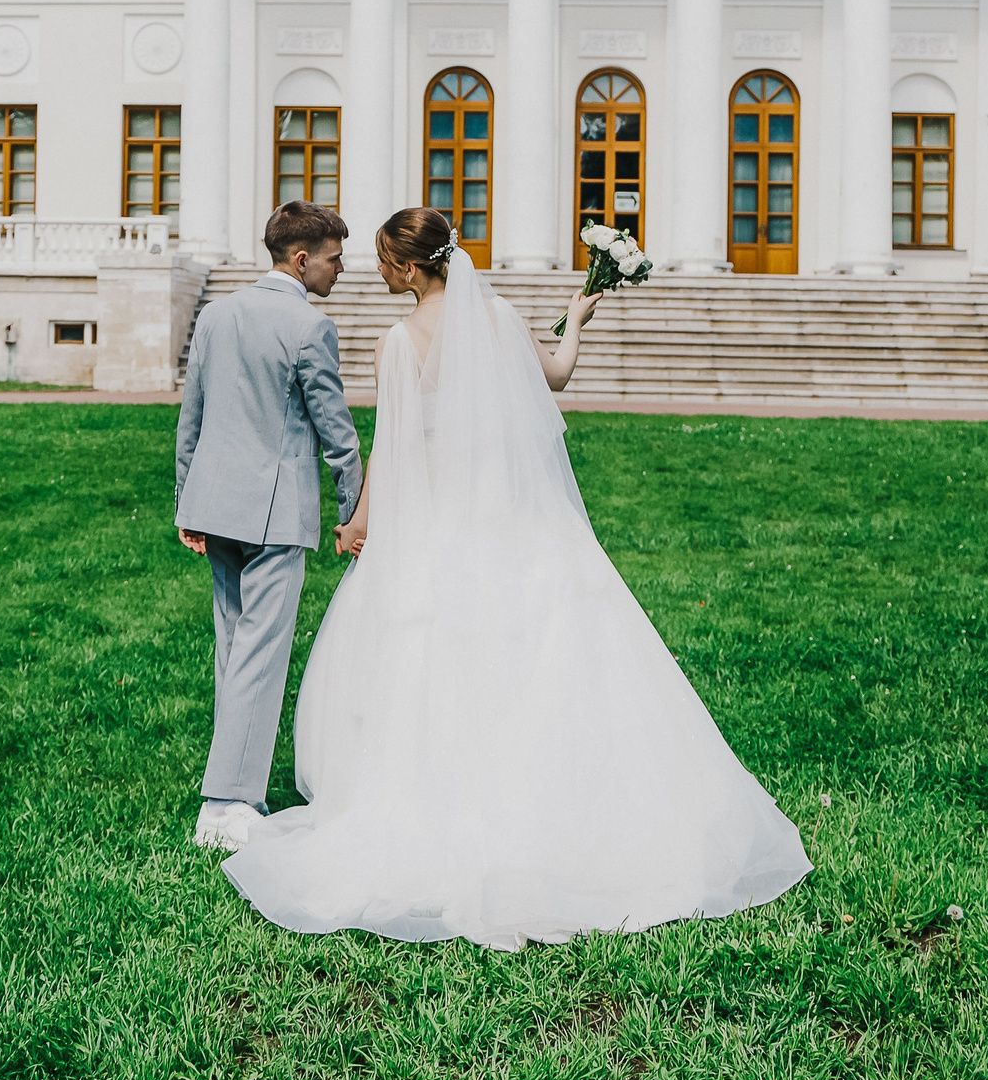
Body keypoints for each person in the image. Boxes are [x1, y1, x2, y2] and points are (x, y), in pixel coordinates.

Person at [221, 206, 811, 949]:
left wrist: (360, 518)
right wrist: (576, 314)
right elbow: (557, 374)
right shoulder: (497, 318)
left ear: (408, 269)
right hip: (518, 523)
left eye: (381, 261)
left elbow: (392, 447)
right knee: (548, 653)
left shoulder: (397, 345)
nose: (374, 272)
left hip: (439, 529)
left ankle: (447, 804)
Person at [175, 200, 363, 852]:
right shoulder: (310, 327)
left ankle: (229, 793)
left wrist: (185, 503)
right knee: (259, 654)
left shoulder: (217, 314)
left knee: (234, 650)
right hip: (274, 509)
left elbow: (190, 415)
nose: (343, 269)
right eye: (336, 258)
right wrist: (353, 506)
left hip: (214, 503)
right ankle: (227, 803)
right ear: (302, 258)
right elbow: (335, 431)